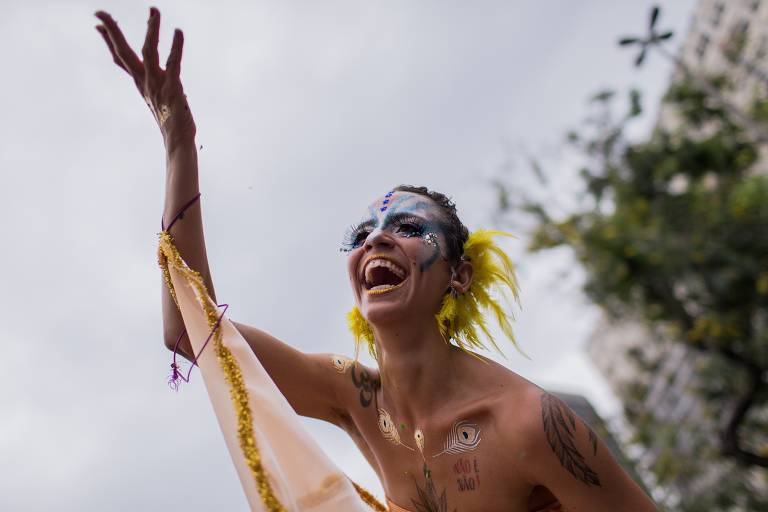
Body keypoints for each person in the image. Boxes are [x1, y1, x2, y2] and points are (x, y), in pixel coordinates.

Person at [95, 8, 658, 512]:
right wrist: (177, 145)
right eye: (363, 232)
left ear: (459, 274)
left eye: (408, 228)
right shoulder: (355, 397)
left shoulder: (529, 424)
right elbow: (189, 333)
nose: (377, 240)